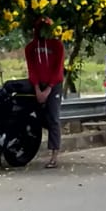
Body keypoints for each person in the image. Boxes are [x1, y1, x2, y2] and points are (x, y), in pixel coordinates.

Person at [24, 20, 65, 168]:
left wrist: (48, 89)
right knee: (35, 115)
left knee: (53, 117)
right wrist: (37, 89)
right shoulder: (31, 48)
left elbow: (58, 70)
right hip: (38, 84)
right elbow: (32, 69)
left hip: (54, 84)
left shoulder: (57, 46)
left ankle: (54, 155)